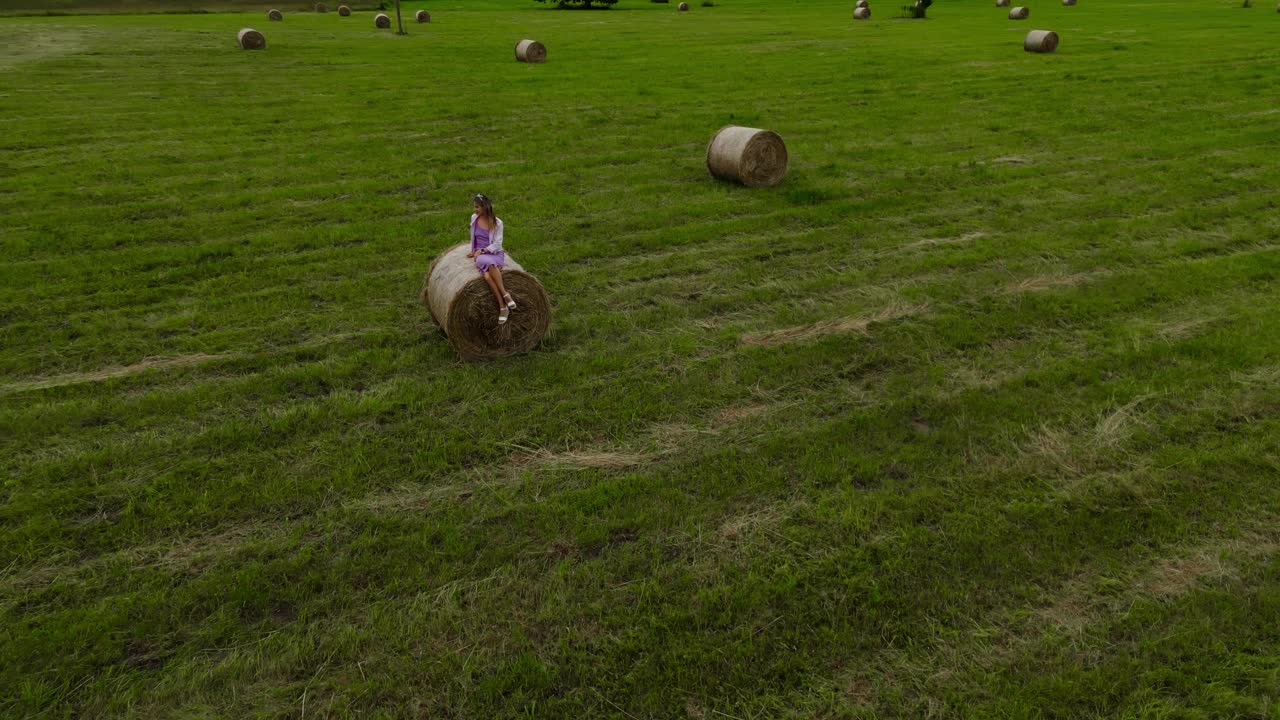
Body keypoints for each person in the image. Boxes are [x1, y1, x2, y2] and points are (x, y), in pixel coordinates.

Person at [467, 194, 517, 324]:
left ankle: (503, 306)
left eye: (477, 207)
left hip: (494, 253)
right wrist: (474, 251)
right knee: (488, 265)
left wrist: (483, 250)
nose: (475, 210)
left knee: (488, 277)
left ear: (485, 207)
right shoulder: (474, 218)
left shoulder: (497, 223)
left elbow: (498, 244)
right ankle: (505, 296)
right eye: (474, 206)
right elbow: (474, 238)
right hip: (480, 255)